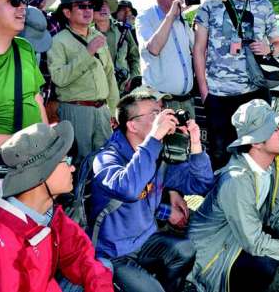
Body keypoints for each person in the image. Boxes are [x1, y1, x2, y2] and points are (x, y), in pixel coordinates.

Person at [188, 99, 279, 292]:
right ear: (256, 142)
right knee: (264, 263)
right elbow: (254, 243)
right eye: (275, 129)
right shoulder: (236, 180)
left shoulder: (273, 164)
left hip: (240, 237)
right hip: (214, 256)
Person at [90, 89, 214, 292]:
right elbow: (128, 189)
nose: (163, 119)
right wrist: (155, 137)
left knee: (185, 250)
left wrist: (195, 142)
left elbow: (201, 184)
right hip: (114, 253)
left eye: (161, 112)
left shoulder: (157, 154)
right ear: (132, 125)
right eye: (154, 115)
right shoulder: (107, 158)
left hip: (145, 240)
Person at [0, 121, 113, 292]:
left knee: (103, 266)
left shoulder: (48, 213)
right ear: (41, 173)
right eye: (65, 160)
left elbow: (80, 255)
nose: (73, 167)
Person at [193, 0, 279, 169]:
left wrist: (269, 49)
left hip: (256, 94)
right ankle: (223, 202)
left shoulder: (264, 5)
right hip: (220, 96)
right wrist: (205, 92)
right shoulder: (210, 6)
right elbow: (198, 50)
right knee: (220, 158)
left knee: (260, 157)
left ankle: (257, 201)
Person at [47, 0, 119, 164]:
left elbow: (110, 75)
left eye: (90, 6)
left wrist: (113, 110)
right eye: (81, 6)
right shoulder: (58, 41)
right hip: (75, 111)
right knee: (78, 164)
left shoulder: (98, 36)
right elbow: (59, 78)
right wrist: (87, 53)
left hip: (102, 111)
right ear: (67, 12)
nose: (88, 10)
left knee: (106, 162)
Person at [0, 0, 47, 160]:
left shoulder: (25, 48)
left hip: (34, 157)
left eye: (24, 0)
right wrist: (17, 141)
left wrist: (46, 142)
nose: (23, 7)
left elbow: (36, 100)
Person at [136, 0, 196, 117]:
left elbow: (196, 49)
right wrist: (170, 16)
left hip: (186, 101)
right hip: (161, 103)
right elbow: (154, 49)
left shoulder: (180, 18)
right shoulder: (145, 17)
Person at [91, 0, 140, 94]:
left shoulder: (123, 30)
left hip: (124, 91)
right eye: (98, 6)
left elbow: (134, 56)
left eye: (106, 6)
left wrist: (133, 78)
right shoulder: (86, 35)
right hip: (98, 93)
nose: (103, 9)